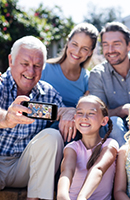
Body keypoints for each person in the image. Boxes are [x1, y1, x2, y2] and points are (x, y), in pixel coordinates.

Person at [0, 36, 66, 200]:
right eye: (25, 64)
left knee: (53, 136)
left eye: (37, 66)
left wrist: (70, 112)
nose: (31, 71)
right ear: (11, 60)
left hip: (25, 167)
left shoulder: (48, 92)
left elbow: (63, 110)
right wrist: (7, 119)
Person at [41, 23, 99, 142]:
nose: (77, 52)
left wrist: (73, 113)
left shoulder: (88, 79)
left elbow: (85, 114)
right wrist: (62, 112)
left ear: (90, 52)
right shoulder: (44, 69)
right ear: (68, 43)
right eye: (74, 44)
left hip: (70, 135)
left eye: (85, 49)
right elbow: (28, 107)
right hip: (39, 130)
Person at [57, 95, 119, 200]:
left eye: (91, 113)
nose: (84, 117)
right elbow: (67, 171)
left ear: (104, 121)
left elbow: (98, 169)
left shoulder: (109, 145)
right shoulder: (72, 148)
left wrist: (82, 197)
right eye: (80, 113)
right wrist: (62, 195)